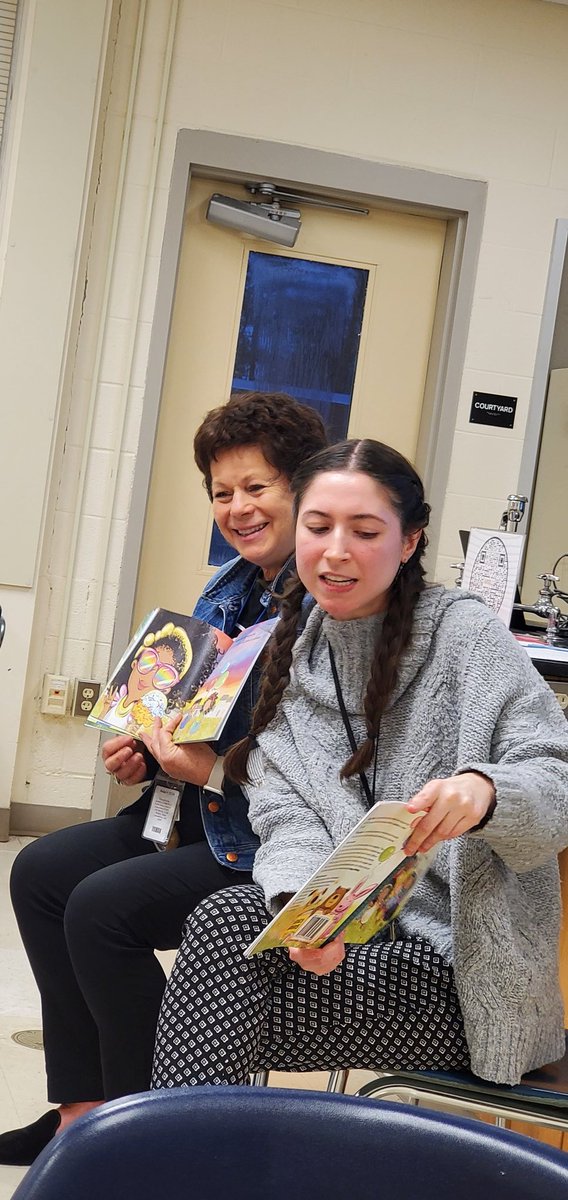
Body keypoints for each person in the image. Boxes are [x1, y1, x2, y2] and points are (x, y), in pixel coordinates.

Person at [151, 438, 568, 1093]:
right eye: (318, 528)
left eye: (365, 531)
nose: (336, 550)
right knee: (225, 924)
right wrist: (304, 911)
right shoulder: (298, 650)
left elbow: (557, 783)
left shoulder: (466, 638)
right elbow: (283, 808)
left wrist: (486, 793)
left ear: (409, 542)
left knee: (209, 1006)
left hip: (461, 972)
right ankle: (193, 1163)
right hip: (352, 942)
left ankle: (172, 1164)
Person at [0, 391, 327, 1166]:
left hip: (258, 836)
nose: (238, 508)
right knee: (42, 870)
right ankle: (82, 1109)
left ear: (304, 487)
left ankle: (148, 1130)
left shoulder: (327, 606)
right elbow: (187, 717)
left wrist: (210, 770)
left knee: (101, 907)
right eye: (222, 492)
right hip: (188, 810)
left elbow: (317, 769)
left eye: (257, 488)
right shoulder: (227, 589)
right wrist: (144, 754)